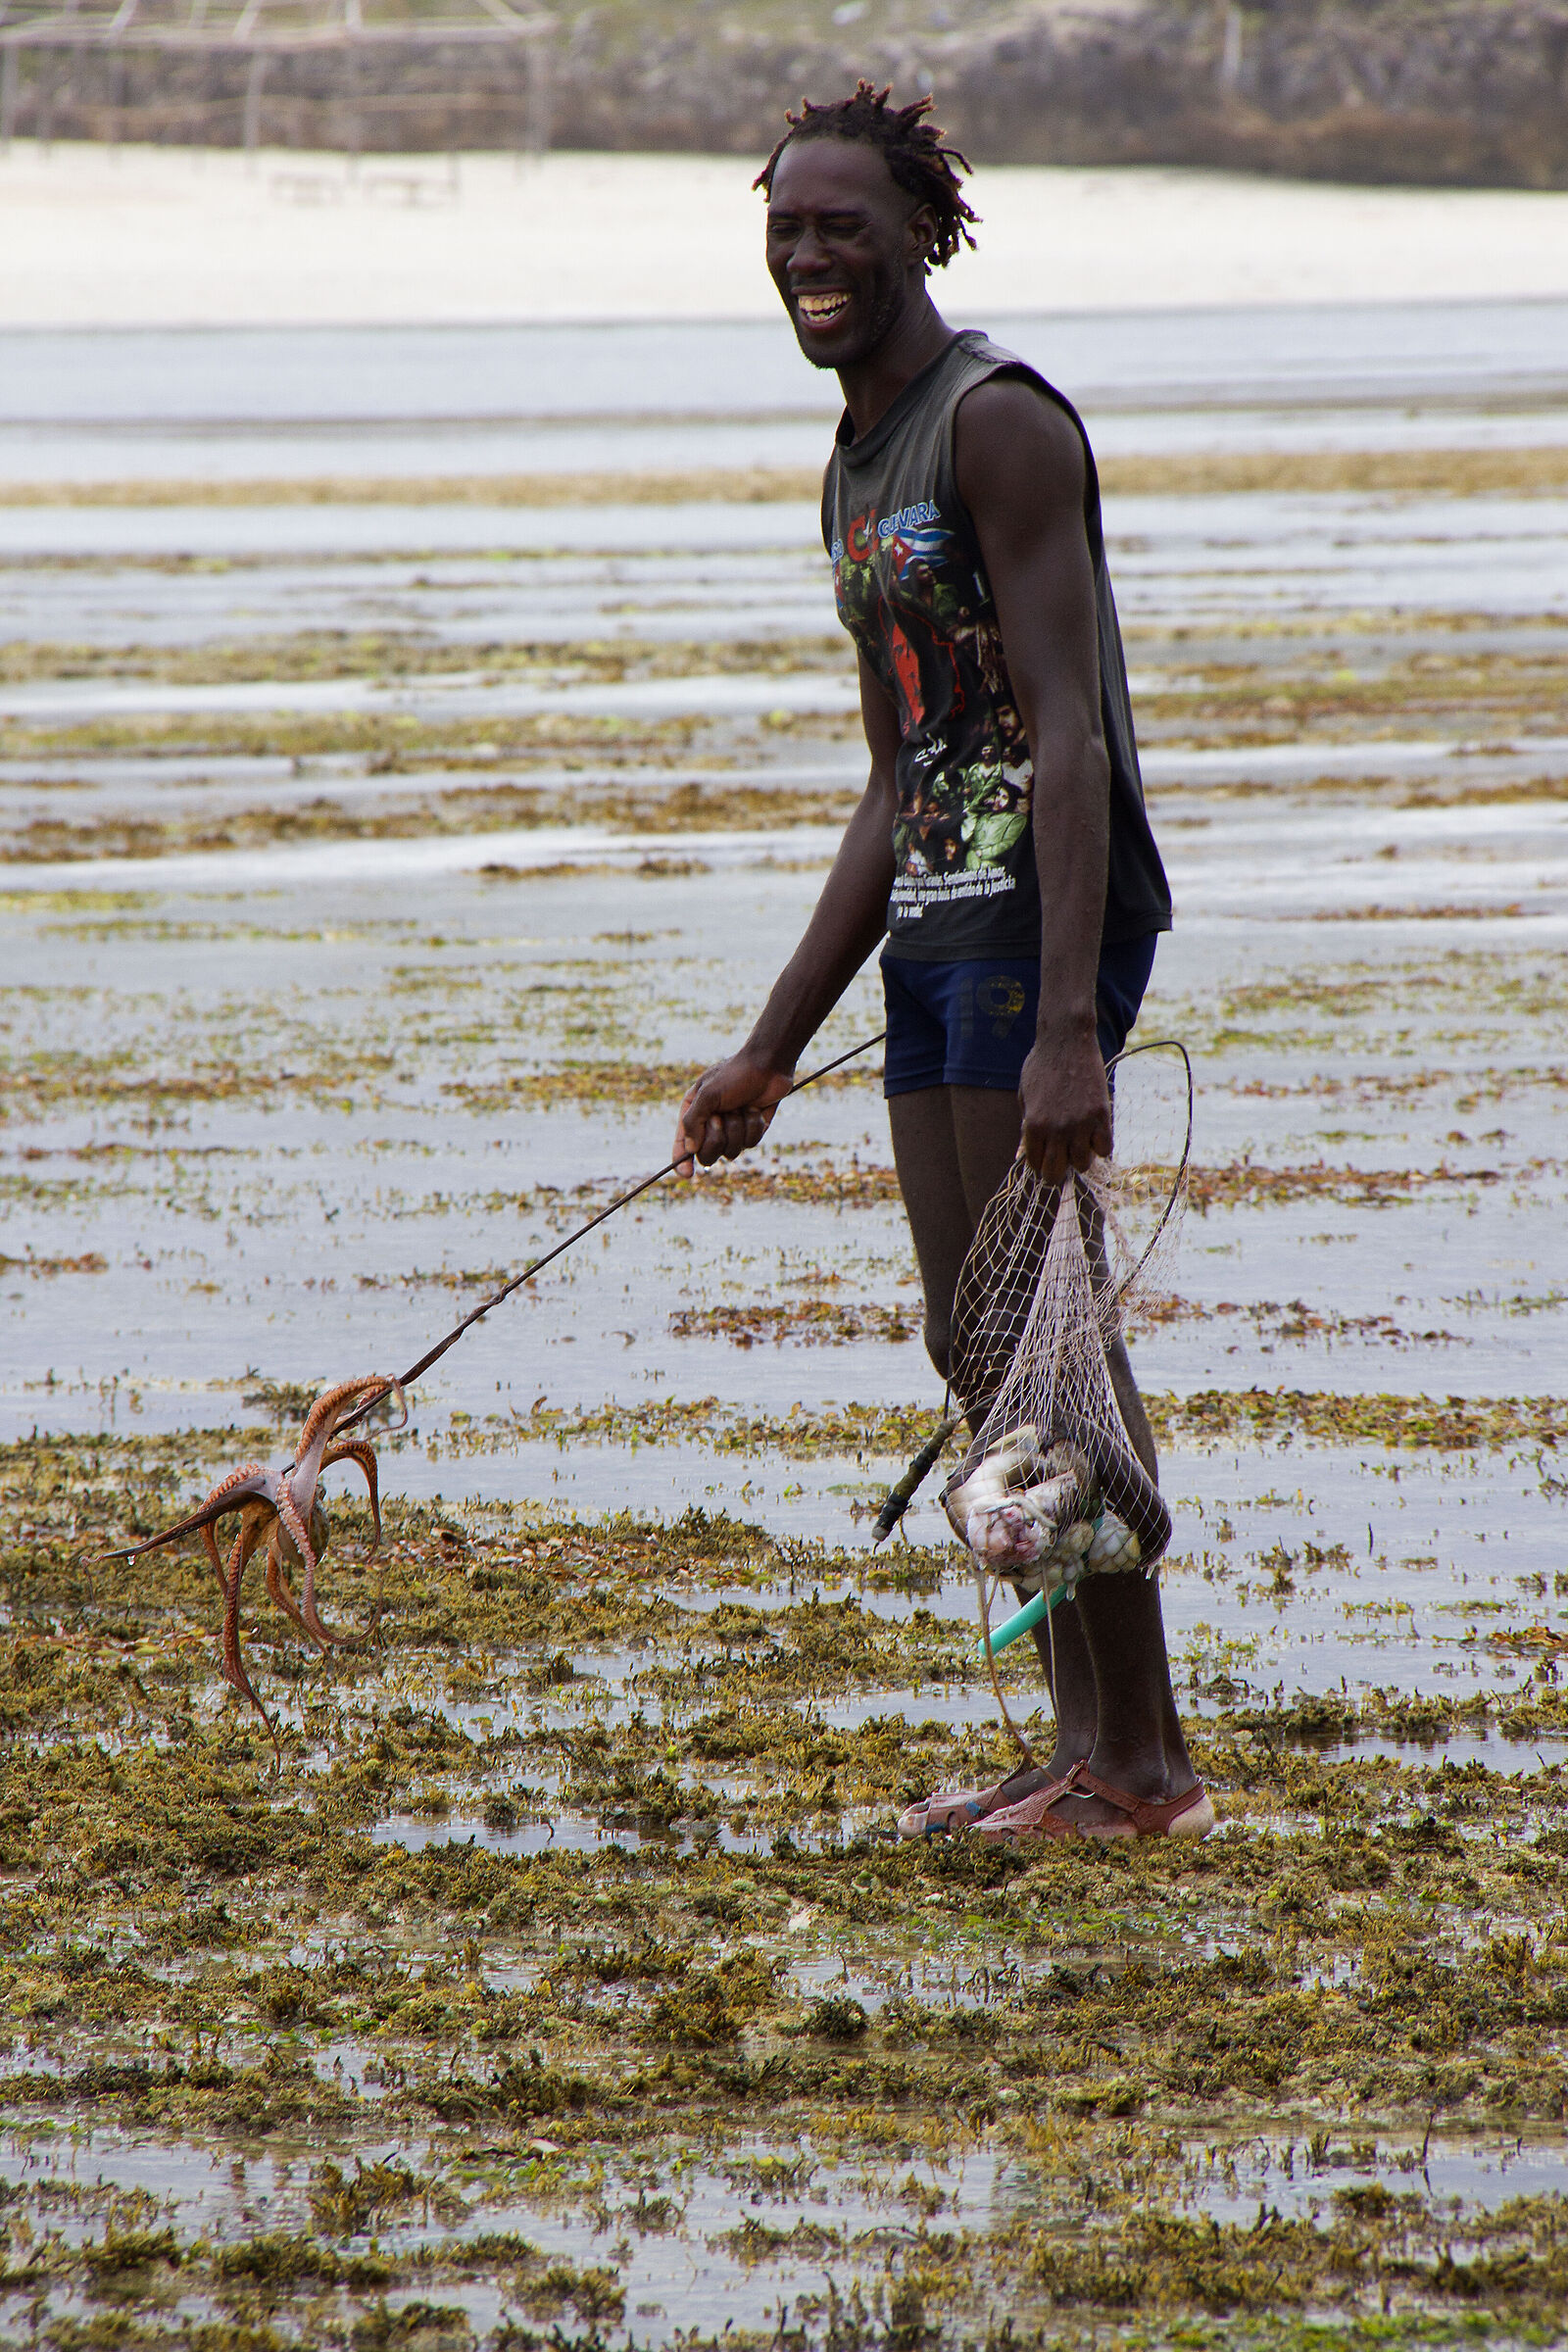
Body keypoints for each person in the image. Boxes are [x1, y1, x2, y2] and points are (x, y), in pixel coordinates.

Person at [671, 83, 1211, 1844]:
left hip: (1041, 919)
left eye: (844, 226)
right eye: (788, 230)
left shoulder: (999, 425)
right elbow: (898, 774)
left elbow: (1069, 734)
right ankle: (1085, 1749)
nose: (812, 256)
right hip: (934, 920)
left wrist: (1074, 1028)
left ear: (921, 233)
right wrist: (763, 1052)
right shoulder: (856, 456)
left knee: (1047, 1353)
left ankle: (1141, 1770)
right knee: (980, 1350)